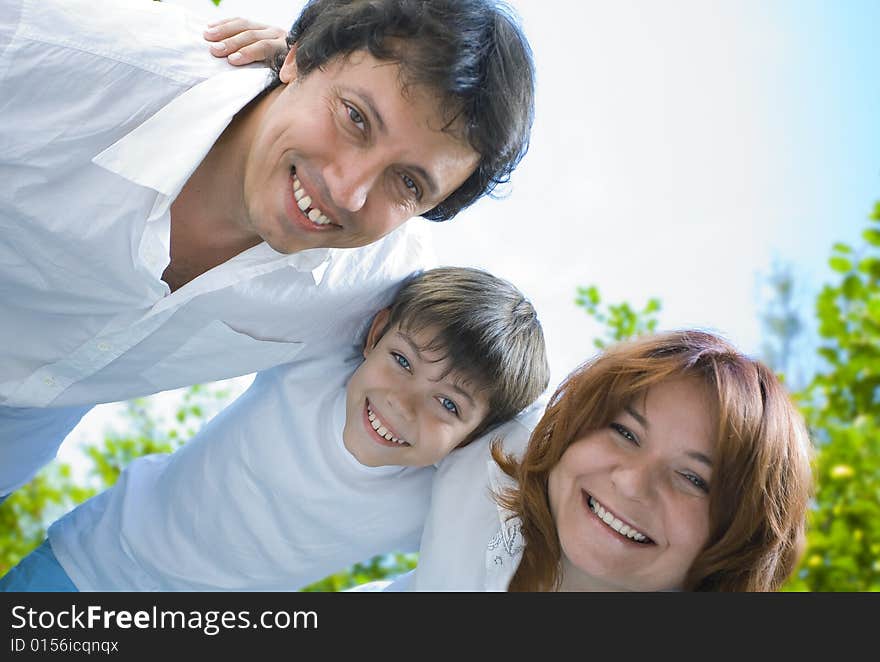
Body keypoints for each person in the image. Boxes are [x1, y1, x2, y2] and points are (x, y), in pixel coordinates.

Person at [0, 0, 535, 498]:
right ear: (299, 59)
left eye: (409, 183)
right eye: (355, 117)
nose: (347, 190)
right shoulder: (49, 49)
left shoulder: (378, 286)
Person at [0, 267, 550, 591]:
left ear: (476, 434)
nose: (403, 404)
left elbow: (531, 455)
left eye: (447, 405)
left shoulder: (433, 494)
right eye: (402, 362)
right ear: (376, 333)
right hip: (89, 566)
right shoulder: (315, 366)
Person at [372, 330, 814, 591]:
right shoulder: (496, 444)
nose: (631, 482)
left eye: (693, 479)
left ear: (739, 538)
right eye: (625, 433)